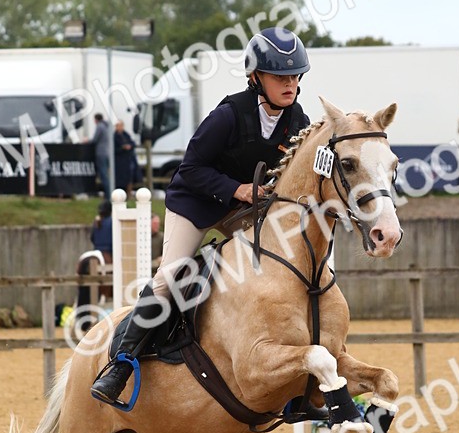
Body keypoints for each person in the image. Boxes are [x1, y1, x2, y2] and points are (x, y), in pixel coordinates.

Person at [91, 26, 311, 404]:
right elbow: (190, 169)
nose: (289, 84)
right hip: (195, 203)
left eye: (294, 76)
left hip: (244, 210)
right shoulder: (227, 115)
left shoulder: (297, 121)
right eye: (279, 77)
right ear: (256, 77)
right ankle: (120, 364)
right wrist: (237, 189)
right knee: (172, 275)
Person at [113, 121, 139, 194]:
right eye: (119, 126)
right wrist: (122, 148)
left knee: (129, 178)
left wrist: (129, 146)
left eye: (121, 125)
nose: (120, 127)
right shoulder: (114, 136)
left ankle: (129, 194)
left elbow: (132, 143)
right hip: (119, 161)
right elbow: (114, 149)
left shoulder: (126, 135)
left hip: (127, 160)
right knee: (119, 179)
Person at [91, 114, 111, 199]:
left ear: (96, 119)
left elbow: (94, 140)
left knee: (103, 175)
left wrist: (86, 141)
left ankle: (108, 195)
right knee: (105, 174)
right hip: (107, 153)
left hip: (101, 153)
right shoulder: (106, 127)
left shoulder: (100, 127)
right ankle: (107, 194)